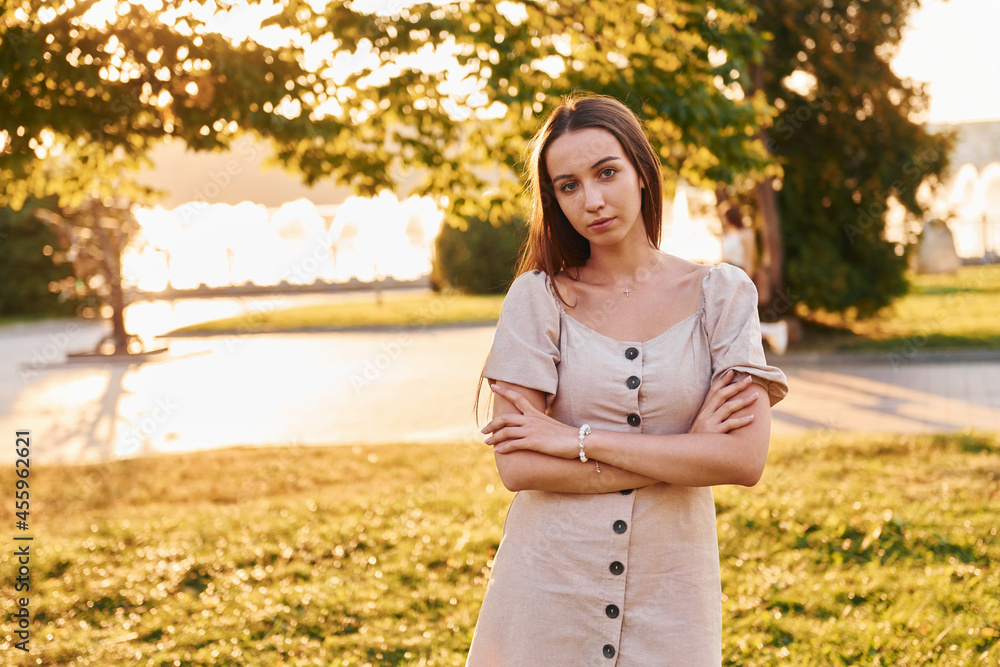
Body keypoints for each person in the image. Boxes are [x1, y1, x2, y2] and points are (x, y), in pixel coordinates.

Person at [466, 94, 789, 666]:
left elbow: (742, 460)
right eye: (568, 186)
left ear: (642, 171)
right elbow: (519, 467)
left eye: (606, 172)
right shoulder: (537, 299)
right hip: (547, 592)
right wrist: (688, 450)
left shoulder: (722, 296)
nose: (591, 200)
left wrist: (575, 440)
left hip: (671, 598)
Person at [721, 206, 789, 355]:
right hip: (726, 277)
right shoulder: (727, 235)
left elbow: (749, 261)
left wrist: (745, 282)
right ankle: (773, 330)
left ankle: (772, 331)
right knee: (734, 319)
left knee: (738, 318)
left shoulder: (746, 234)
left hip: (739, 276)